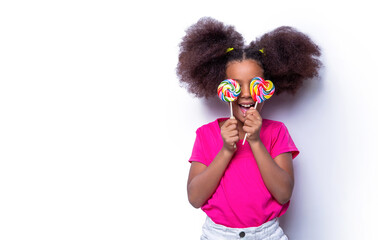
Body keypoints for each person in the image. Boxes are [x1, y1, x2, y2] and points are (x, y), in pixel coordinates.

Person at [177, 17, 321, 240]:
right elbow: (195, 198)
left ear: (266, 87)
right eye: (236, 84)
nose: (245, 94)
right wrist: (226, 150)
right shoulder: (206, 135)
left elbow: (283, 194)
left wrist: (255, 142)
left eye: (254, 84)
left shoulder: (277, 132)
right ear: (221, 87)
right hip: (218, 235)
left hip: (267, 234)